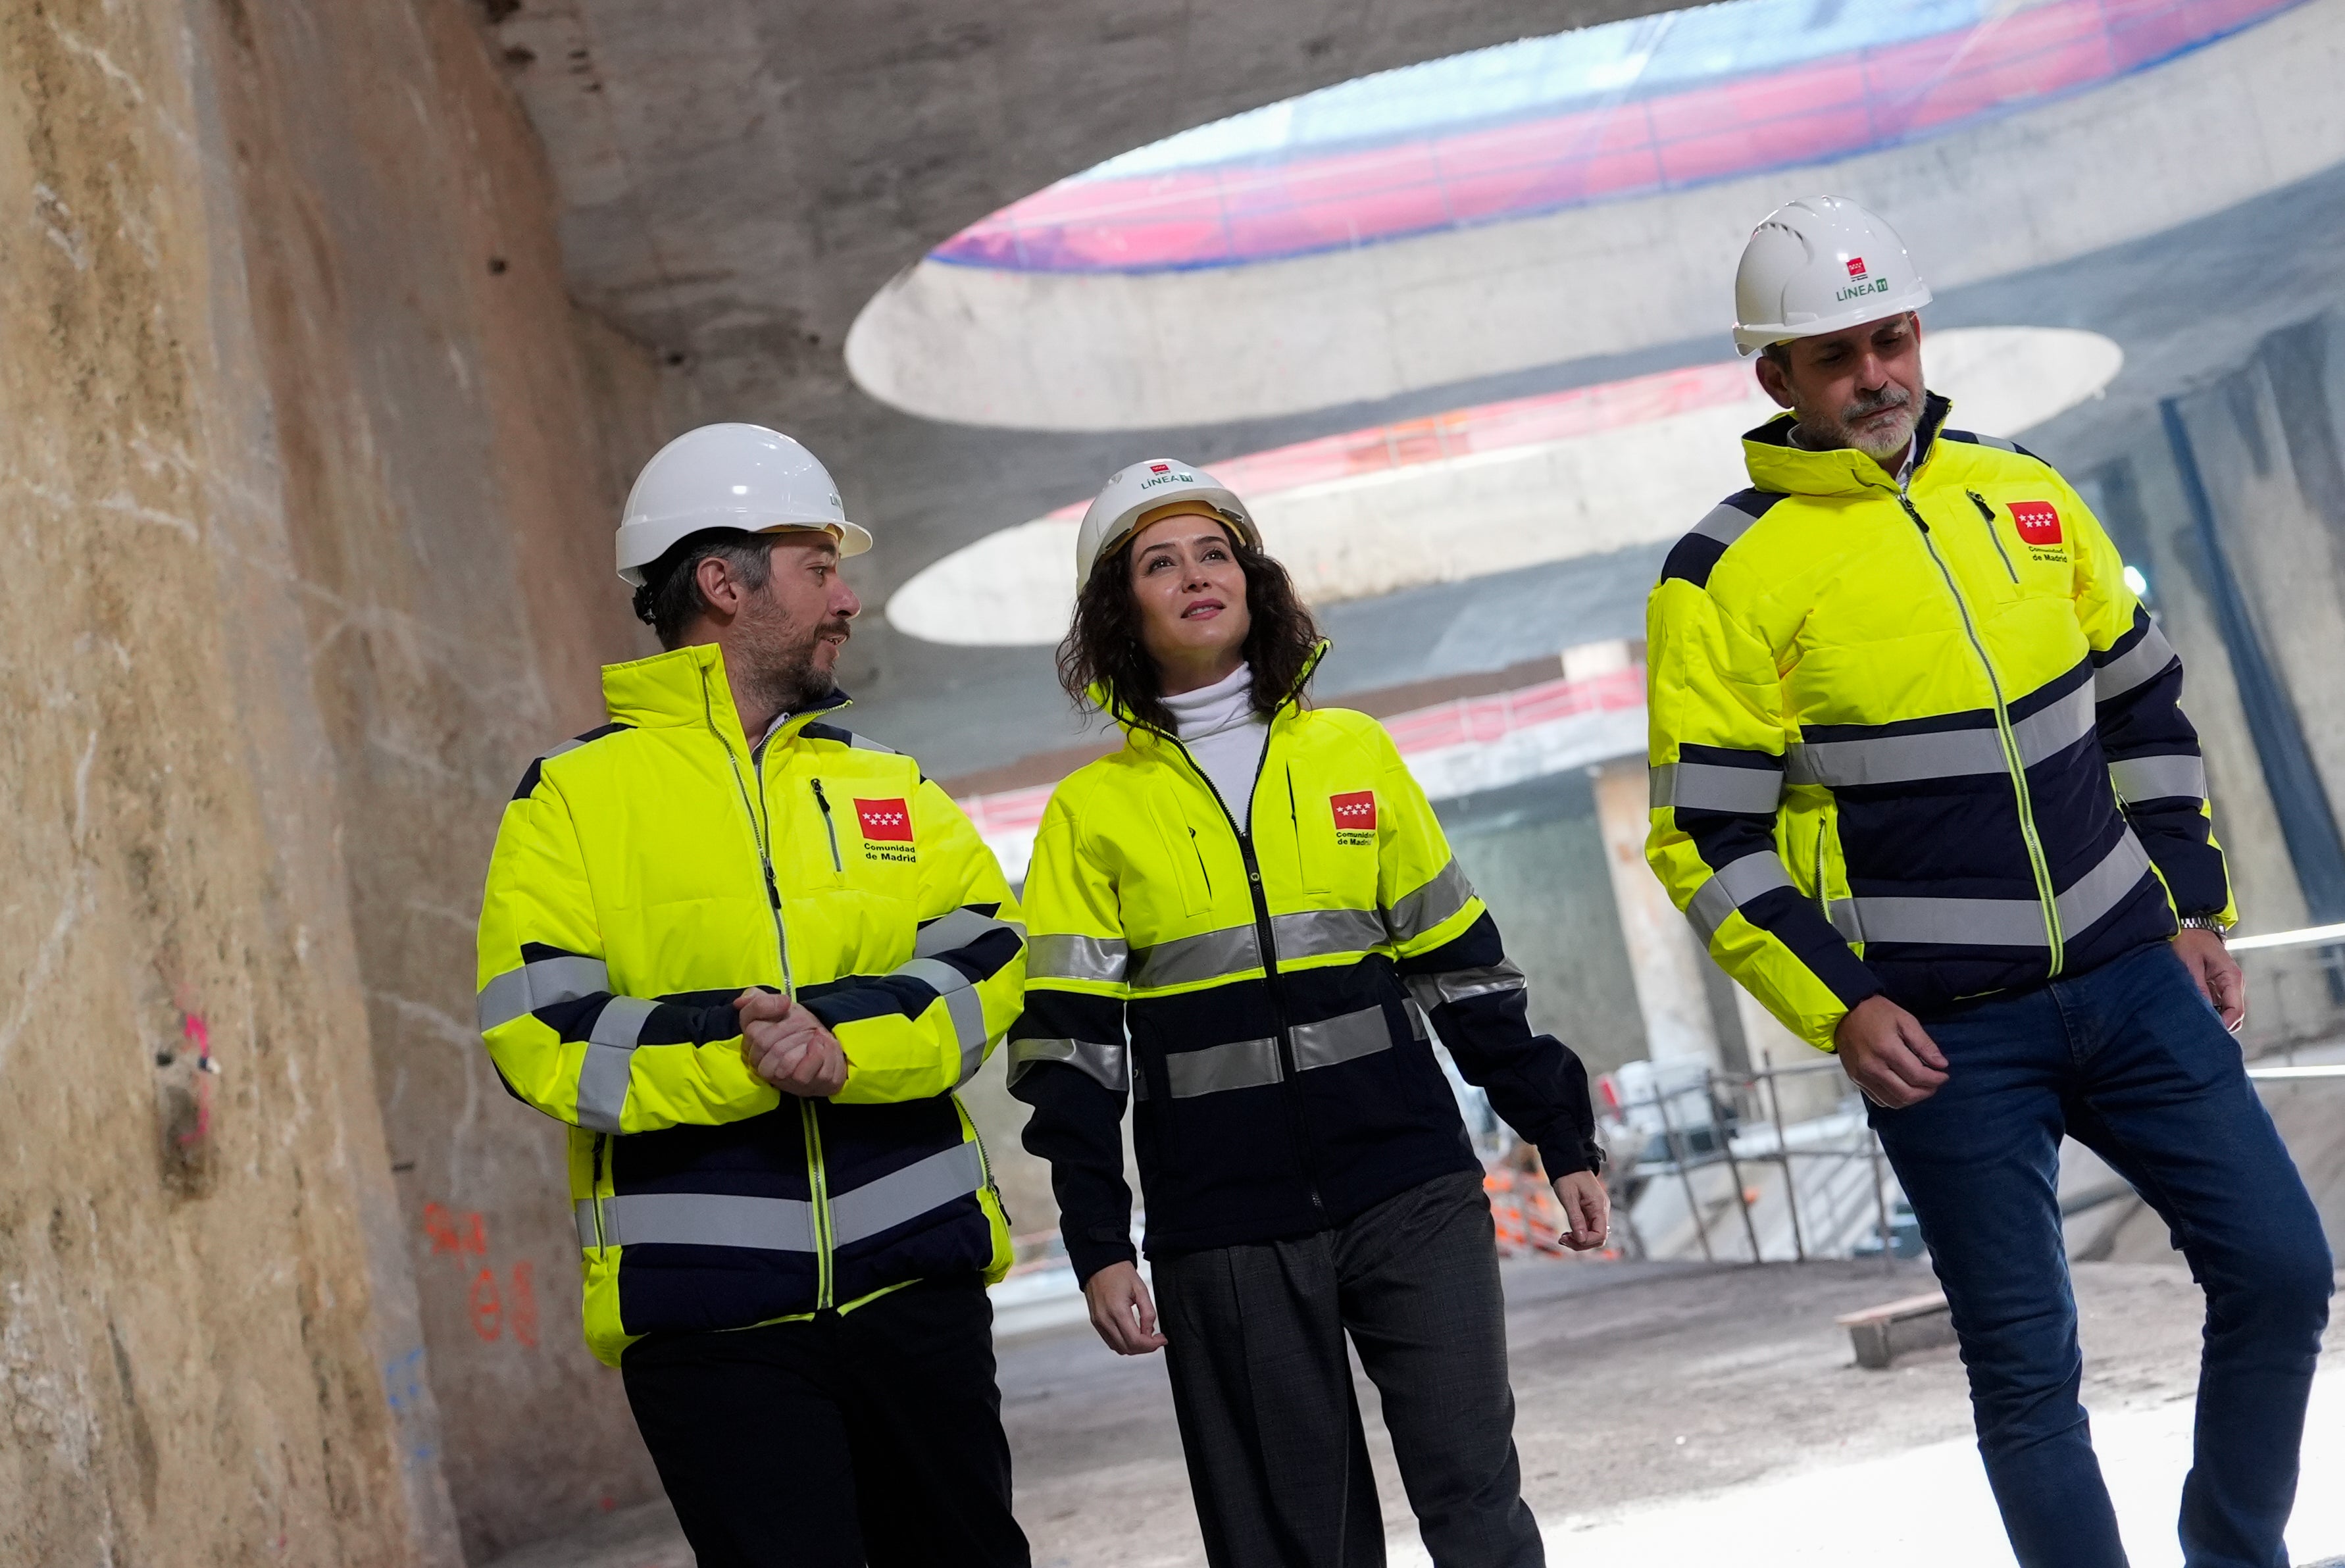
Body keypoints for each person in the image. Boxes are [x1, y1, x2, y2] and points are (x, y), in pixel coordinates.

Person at [1645, 195, 2331, 1568]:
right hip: (1944, 1038)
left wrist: (2195, 903)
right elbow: (1706, 839)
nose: (1876, 375)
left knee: (2283, 1270)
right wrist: (1839, 1004)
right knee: (2028, 1374)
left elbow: (2142, 707)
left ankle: (2234, 1555)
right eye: (1836, 356)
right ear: (1775, 378)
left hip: (2133, 978)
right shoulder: (1720, 575)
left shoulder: (2024, 490)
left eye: (1892, 339)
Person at [1009, 460, 1609, 1568]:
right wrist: (1098, 1241)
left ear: (1254, 580)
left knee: (1477, 1498)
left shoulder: (1354, 755)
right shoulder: (1091, 816)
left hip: (1410, 1187)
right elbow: (1070, 1053)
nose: (1196, 576)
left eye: (1215, 553)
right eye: (1159, 562)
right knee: (1296, 1542)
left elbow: (1464, 971)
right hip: (1225, 1226)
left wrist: (1557, 1131)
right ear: (1119, 608)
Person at [474, 423, 1031, 1568]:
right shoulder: (570, 800)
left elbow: (988, 955)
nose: (848, 599)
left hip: (917, 1295)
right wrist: (748, 1057)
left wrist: (841, 1046)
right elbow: (541, 1027)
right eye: (819, 568)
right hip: (710, 1325)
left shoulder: (886, 783)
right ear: (726, 585)